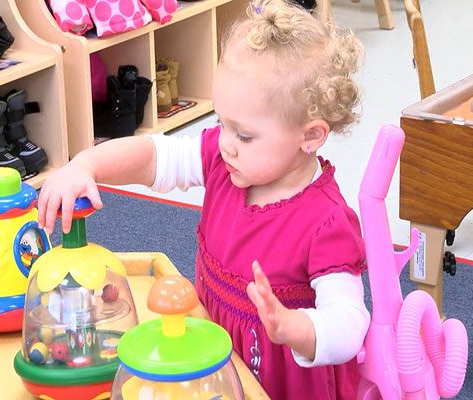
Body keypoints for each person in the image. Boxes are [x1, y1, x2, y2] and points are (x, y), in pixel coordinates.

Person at [38, 0, 369, 398]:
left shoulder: (327, 222)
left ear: (311, 136)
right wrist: (86, 165)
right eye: (220, 123)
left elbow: (350, 323)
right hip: (213, 362)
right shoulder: (224, 159)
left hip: (284, 384)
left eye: (244, 135)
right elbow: (155, 157)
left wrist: (292, 326)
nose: (225, 144)